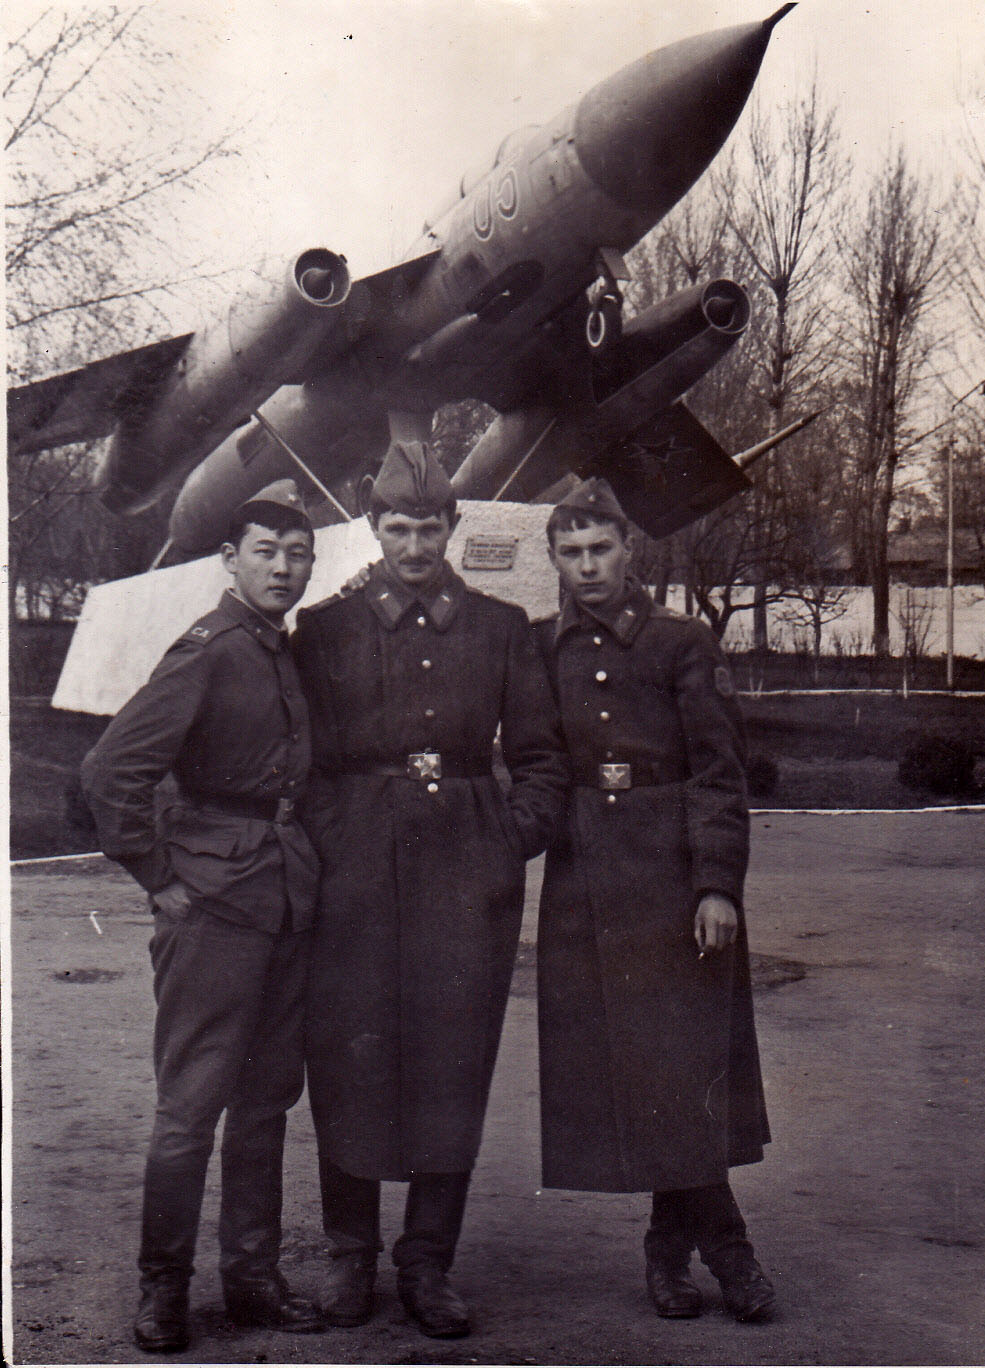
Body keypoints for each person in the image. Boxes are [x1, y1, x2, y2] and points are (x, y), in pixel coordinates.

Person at [291, 441, 568, 1339]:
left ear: (454, 528)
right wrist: (330, 842)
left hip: (465, 869)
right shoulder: (325, 630)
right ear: (373, 529)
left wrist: (504, 843)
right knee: (350, 1057)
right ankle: (349, 1258)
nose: (415, 544)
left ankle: (428, 1262)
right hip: (355, 871)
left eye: (430, 527)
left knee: (454, 1059)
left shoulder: (499, 627)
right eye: (398, 527)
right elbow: (306, 763)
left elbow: (539, 759)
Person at [81, 480, 324, 1352]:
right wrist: (157, 873)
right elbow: (113, 771)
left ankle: (253, 1279)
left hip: (284, 898)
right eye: (267, 551)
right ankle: (165, 1288)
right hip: (215, 904)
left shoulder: (277, 648)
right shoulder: (212, 648)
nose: (285, 569)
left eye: (299, 555)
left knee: (264, 1105)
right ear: (229, 559)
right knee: (190, 1109)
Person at [534, 477, 775, 1324]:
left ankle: (702, 1248)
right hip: (587, 885)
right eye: (571, 552)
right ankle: (690, 1248)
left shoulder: (680, 642)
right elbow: (530, 764)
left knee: (681, 1067)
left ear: (629, 549)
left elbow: (718, 771)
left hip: (675, 882)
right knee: (641, 1071)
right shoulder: (542, 648)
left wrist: (717, 884)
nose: (588, 566)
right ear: (554, 559)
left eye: (601, 548)